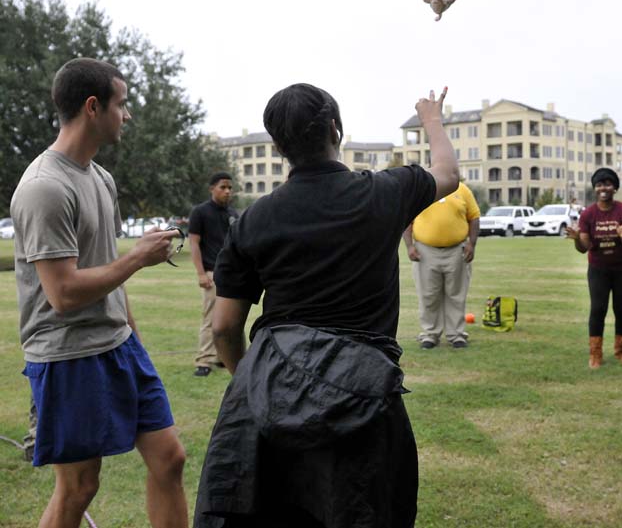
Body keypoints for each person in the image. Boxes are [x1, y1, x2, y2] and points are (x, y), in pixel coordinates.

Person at [193, 83, 460, 528]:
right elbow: (448, 174)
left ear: (277, 146)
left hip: (269, 398)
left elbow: (223, 327)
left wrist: (252, 383)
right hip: (362, 401)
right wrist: (430, 116)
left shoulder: (254, 219)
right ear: (336, 128)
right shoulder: (385, 192)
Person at [10, 58, 188, 528]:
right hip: (67, 354)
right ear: (93, 107)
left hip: (118, 346)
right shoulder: (44, 188)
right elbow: (63, 293)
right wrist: (138, 257)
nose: (126, 115)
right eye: (121, 104)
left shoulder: (100, 178)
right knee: (79, 488)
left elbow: (105, 267)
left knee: (170, 459)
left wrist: (134, 336)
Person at [566, 167, 622, 369]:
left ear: (614, 188)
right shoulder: (588, 214)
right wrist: (577, 239)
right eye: (598, 184)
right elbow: (584, 248)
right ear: (594, 189)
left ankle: (620, 352)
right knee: (598, 309)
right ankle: (595, 355)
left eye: (607, 184)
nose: (603, 188)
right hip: (598, 270)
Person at [402, 182, 480, 349]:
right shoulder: (421, 190)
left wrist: (472, 244)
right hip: (425, 251)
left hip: (457, 250)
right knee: (428, 295)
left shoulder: (463, 190)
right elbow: (407, 220)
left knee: (456, 295)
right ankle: (429, 334)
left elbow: (474, 217)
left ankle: (456, 334)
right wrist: (409, 246)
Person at [188, 172, 239, 376]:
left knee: (230, 319)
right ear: (212, 189)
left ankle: (223, 357)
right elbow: (194, 243)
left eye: (230, 188)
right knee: (210, 318)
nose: (227, 191)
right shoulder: (200, 212)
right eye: (222, 187)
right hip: (211, 273)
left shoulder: (234, 214)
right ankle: (204, 360)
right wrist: (201, 273)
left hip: (231, 274)